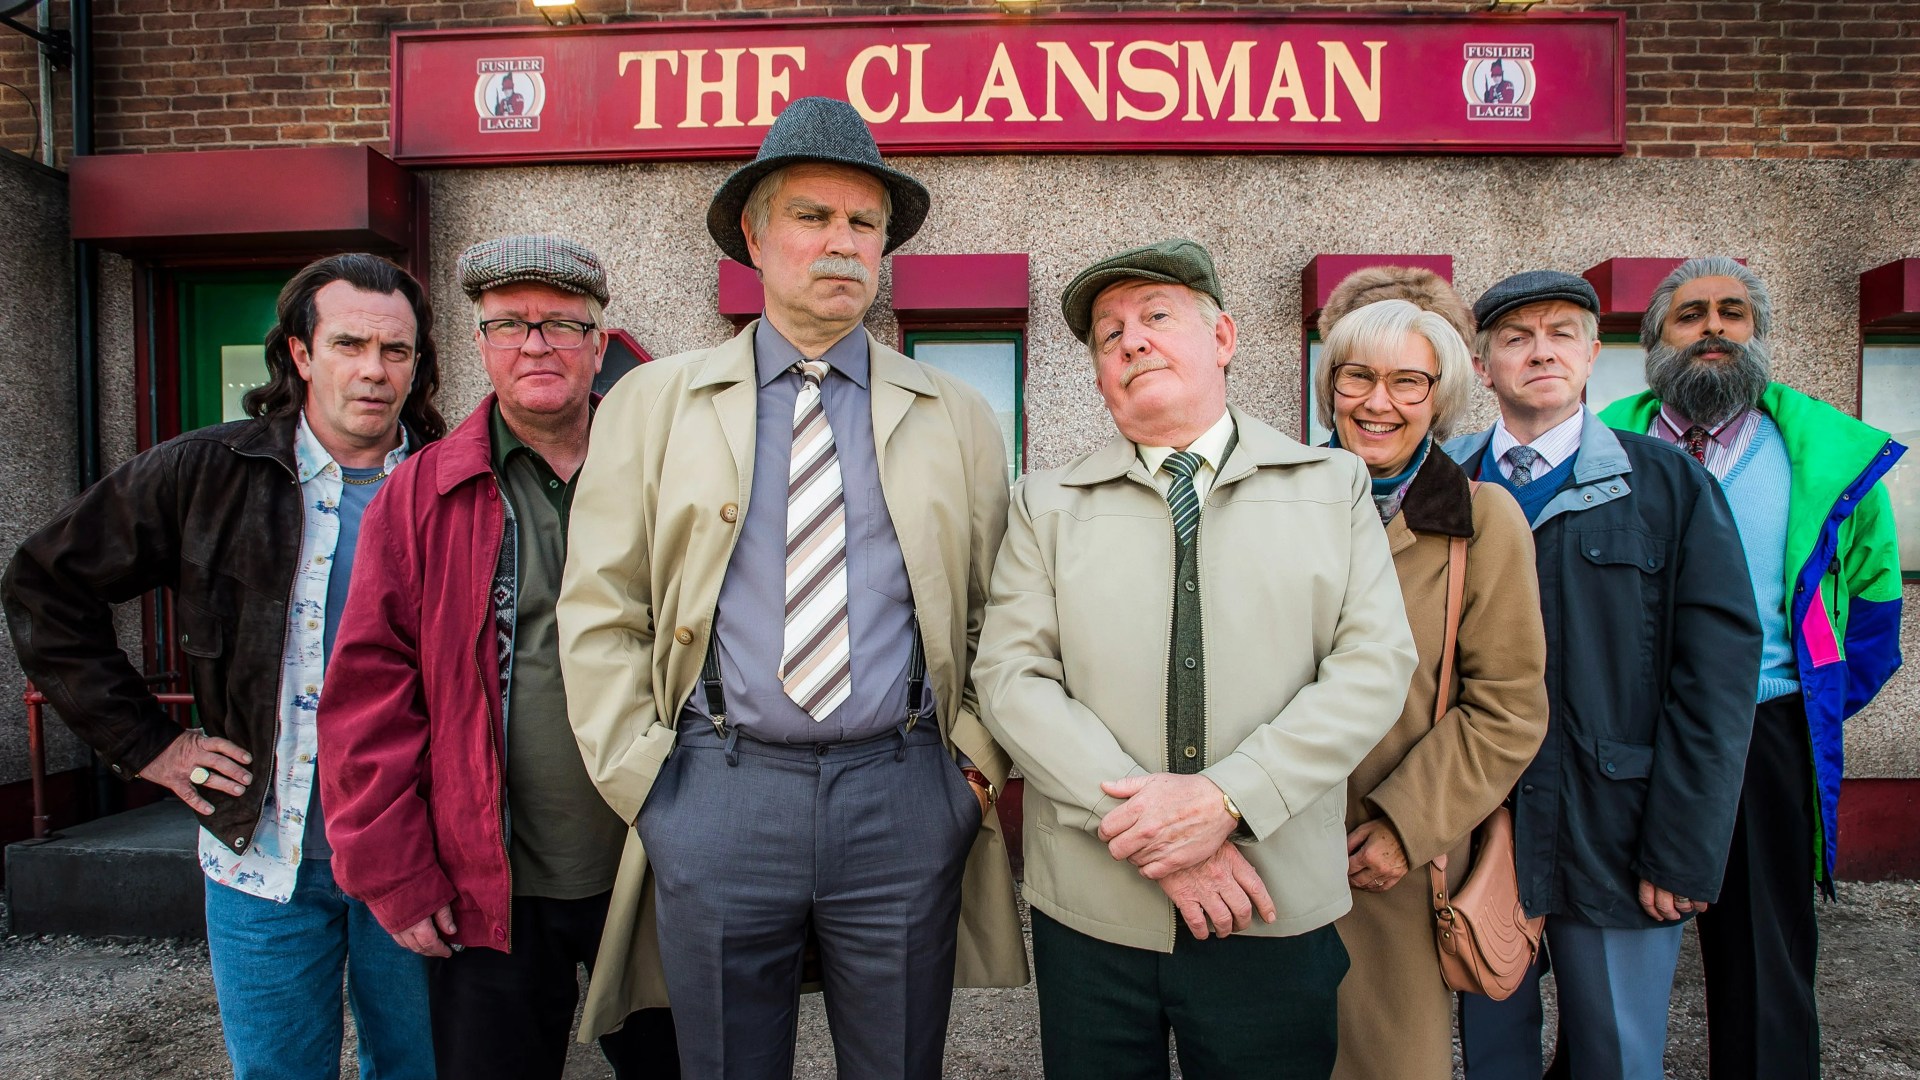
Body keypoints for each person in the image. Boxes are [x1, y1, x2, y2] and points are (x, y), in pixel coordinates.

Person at [555, 96, 1027, 1079]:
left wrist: (970, 777)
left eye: (864, 223)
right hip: (720, 791)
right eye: (812, 217)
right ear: (755, 240)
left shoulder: (960, 418)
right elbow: (602, 608)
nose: (842, 244)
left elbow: (1001, 612)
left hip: (904, 793)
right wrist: (653, 790)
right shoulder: (653, 405)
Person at [972, 238, 1418, 1080]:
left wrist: (1227, 800)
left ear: (1223, 339)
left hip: (1270, 902)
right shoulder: (1045, 504)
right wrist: (1160, 837)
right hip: (1098, 918)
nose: (1130, 340)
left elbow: (1372, 667)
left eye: (1156, 317)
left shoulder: (1332, 487)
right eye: (1108, 336)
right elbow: (1012, 679)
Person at [2, 253, 445, 1079]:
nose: (375, 371)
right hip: (263, 859)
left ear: (419, 362)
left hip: (414, 854)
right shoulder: (207, 473)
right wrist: (151, 747)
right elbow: (45, 585)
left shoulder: (451, 482)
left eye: (397, 351)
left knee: (423, 1069)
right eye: (349, 344)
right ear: (300, 354)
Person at [317, 235, 679, 1079]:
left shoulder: (667, 475)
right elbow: (370, 695)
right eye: (510, 324)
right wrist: (397, 874)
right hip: (487, 885)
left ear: (599, 343)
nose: (536, 344)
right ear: (480, 344)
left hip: (652, 868)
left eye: (561, 323)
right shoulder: (422, 491)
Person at [1444, 270, 1763, 1080]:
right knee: (1494, 1055)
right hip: (1480, 824)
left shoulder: (1667, 484)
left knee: (1618, 1060)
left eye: (1560, 334)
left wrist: (1685, 848)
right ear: (1483, 366)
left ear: (1593, 355)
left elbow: (1716, 678)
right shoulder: (1444, 483)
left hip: (1618, 832)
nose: (1539, 352)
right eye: (1515, 338)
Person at [1598, 256, 1906, 1080]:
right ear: (1655, 338)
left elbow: (1874, 619)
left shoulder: (1826, 458)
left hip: (1763, 736)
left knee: (1765, 959)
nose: (1713, 329)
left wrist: (1798, 709)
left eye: (1733, 313)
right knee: (1607, 960)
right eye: (1690, 314)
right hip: (1620, 737)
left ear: (1758, 333)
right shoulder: (1601, 446)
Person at [1314, 286, 1549, 1079]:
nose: (1379, 402)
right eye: (1356, 378)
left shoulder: (1485, 521)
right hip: (1266, 849)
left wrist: (1404, 828)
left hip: (1387, 866)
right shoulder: (1278, 500)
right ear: (1330, 389)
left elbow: (1507, 709)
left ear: (1439, 397)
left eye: (1407, 382)